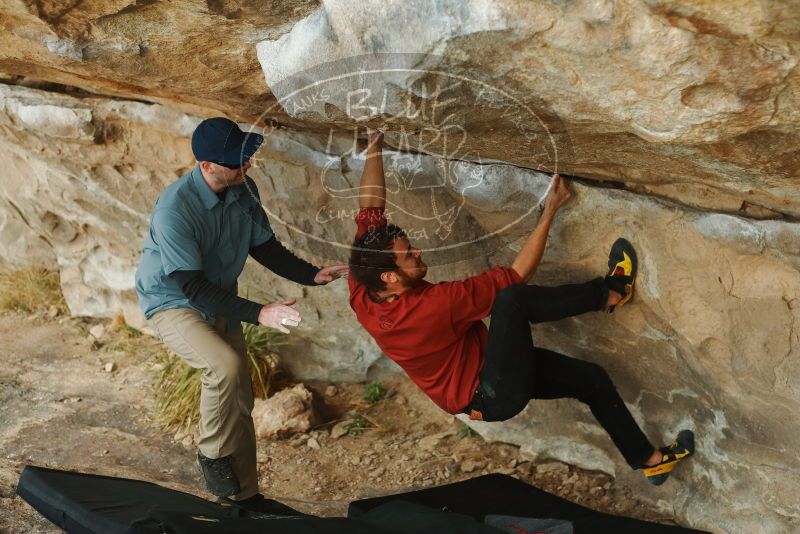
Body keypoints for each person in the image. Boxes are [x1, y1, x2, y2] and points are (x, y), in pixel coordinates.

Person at [348, 129, 694, 486]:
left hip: (489, 373)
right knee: (511, 301)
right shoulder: (433, 306)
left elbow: (369, 206)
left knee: (591, 380)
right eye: (409, 256)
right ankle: (610, 293)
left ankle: (650, 460)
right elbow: (516, 275)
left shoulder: (363, 285)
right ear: (391, 277)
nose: (417, 252)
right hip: (493, 393)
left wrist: (375, 145)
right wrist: (550, 210)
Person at [135, 117, 348, 512]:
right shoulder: (174, 209)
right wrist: (260, 313)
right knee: (226, 366)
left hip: (217, 295)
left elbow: (264, 246)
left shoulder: (242, 187)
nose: (246, 164)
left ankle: (245, 498)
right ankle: (212, 454)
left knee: (240, 401)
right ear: (207, 166)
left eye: (245, 156)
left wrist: (311, 274)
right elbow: (192, 287)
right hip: (173, 300)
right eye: (237, 160)